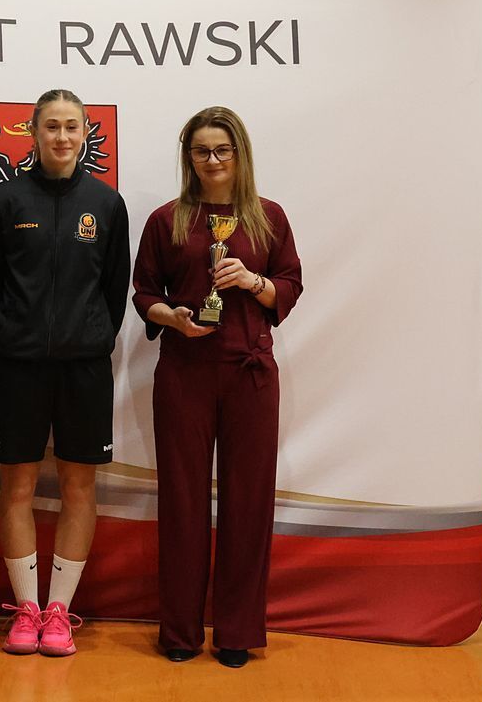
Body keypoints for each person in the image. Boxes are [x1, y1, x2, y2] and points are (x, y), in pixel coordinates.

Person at [131, 106, 302, 668]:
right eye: (201, 151)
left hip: (250, 373)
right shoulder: (167, 219)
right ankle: (179, 631)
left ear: (239, 153)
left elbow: (289, 286)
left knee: (248, 503)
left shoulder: (268, 217)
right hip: (184, 372)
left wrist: (253, 281)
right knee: (182, 501)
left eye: (221, 150)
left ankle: (236, 631)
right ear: (189, 158)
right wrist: (173, 318)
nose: (212, 160)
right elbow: (143, 293)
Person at [0, 89, 131, 657]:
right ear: (34, 133)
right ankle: (26, 611)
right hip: (18, 370)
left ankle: (59, 612)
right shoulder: (6, 200)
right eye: (51, 127)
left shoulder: (107, 204)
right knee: (16, 488)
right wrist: (11, 342)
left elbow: (114, 290)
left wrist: (87, 339)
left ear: (86, 133)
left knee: (78, 488)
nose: (62, 137)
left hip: (84, 371)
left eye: (72, 127)